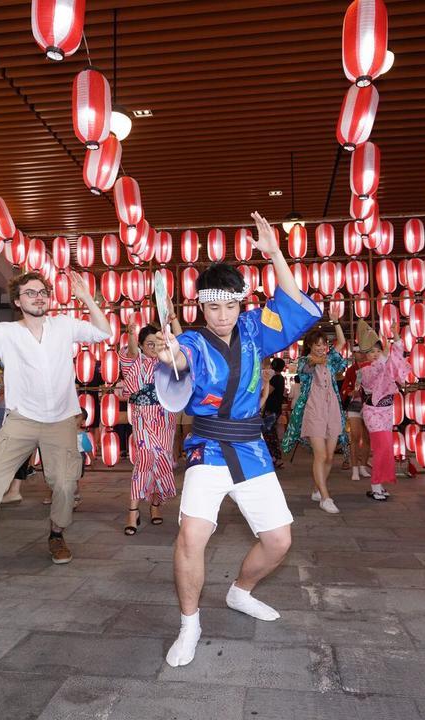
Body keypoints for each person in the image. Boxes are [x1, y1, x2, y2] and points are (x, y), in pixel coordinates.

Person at [153, 212, 321, 668]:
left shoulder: (253, 329)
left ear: (240, 306)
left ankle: (239, 592)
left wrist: (275, 254)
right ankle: (189, 624)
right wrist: (172, 357)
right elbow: (179, 366)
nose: (222, 316)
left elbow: (298, 306)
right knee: (192, 535)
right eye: (213, 308)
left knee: (279, 541)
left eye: (229, 307)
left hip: (250, 448)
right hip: (208, 449)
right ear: (201, 309)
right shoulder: (190, 341)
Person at [0, 270, 111, 599]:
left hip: (62, 420)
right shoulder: (6, 332)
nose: (38, 297)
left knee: (65, 485)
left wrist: (85, 299)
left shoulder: (64, 326)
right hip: (21, 419)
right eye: (30, 293)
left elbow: (103, 332)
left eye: (42, 292)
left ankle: (56, 533)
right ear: (17, 301)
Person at [281, 304, 349, 513]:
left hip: (333, 411)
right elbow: (309, 365)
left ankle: (318, 488)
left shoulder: (331, 361)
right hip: (314, 411)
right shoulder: (305, 361)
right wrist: (318, 358)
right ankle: (325, 498)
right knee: (320, 456)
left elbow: (343, 342)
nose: (321, 347)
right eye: (317, 344)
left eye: (324, 344)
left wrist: (336, 322)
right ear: (310, 346)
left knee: (329, 456)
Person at [121, 302, 182, 535]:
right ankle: (132, 510)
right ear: (142, 345)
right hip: (142, 417)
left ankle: (155, 505)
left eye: (158, 343)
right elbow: (132, 351)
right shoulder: (135, 362)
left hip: (165, 416)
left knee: (162, 459)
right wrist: (131, 334)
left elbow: (182, 344)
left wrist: (172, 318)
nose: (154, 348)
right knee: (144, 460)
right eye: (150, 344)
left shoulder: (167, 362)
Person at [357, 319, 410, 501]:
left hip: (386, 411)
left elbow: (393, 359)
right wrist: (387, 351)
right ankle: (376, 484)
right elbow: (384, 363)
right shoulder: (365, 370)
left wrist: (395, 337)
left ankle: (379, 483)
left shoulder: (383, 365)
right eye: (371, 351)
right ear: (365, 354)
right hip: (373, 411)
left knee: (386, 447)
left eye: (378, 351)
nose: (375, 354)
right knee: (381, 448)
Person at [339, 349, 371, 482]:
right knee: (355, 436)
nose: (359, 354)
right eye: (356, 352)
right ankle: (355, 468)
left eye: (362, 351)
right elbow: (345, 388)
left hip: (370, 404)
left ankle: (363, 465)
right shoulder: (352, 370)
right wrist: (350, 392)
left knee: (367, 437)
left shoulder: (372, 366)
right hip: (355, 404)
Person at [260, 358, 287, 467]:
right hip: (275, 409)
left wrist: (262, 388)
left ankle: (275, 457)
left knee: (269, 434)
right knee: (270, 433)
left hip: (271, 410)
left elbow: (267, 391)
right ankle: (275, 457)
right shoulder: (279, 378)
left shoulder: (275, 378)